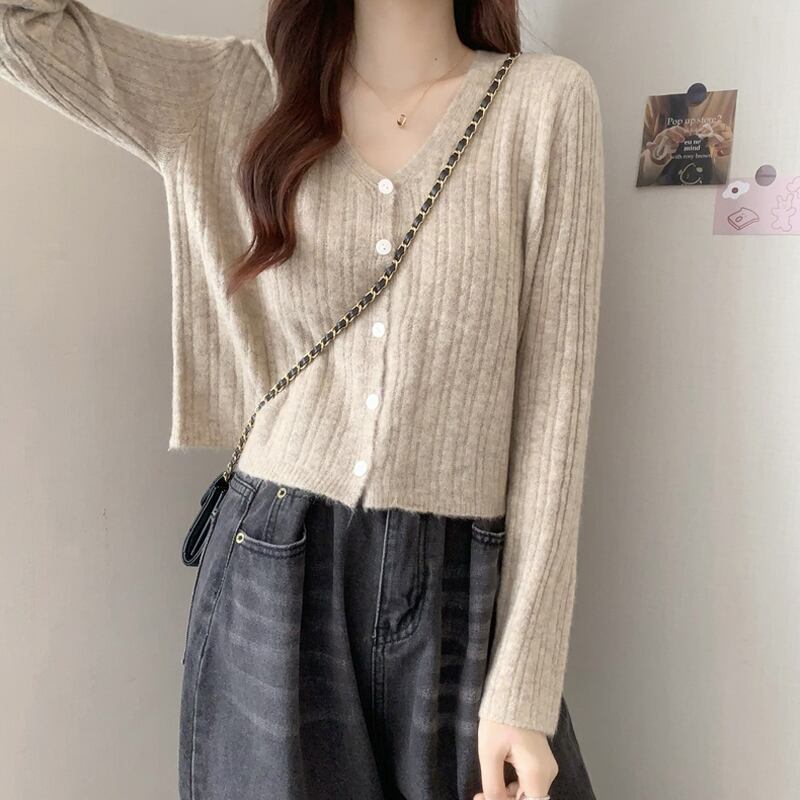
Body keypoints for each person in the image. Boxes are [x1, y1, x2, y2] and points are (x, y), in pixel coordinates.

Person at [0, 1, 605, 798]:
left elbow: (555, 413)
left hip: (462, 581)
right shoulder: (238, 92)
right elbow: (21, 26)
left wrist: (524, 687)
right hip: (273, 561)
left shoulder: (545, 102)